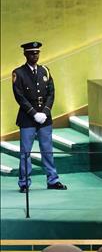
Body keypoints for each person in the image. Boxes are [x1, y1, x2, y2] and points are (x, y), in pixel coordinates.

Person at [12, 41, 67, 192]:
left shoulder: (45, 71)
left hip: (44, 118)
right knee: (26, 153)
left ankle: (52, 180)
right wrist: (34, 113)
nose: (34, 55)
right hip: (27, 118)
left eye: (37, 53)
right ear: (25, 54)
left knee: (47, 150)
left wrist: (46, 112)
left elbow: (51, 93)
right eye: (31, 53)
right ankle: (24, 183)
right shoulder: (19, 73)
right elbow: (19, 96)